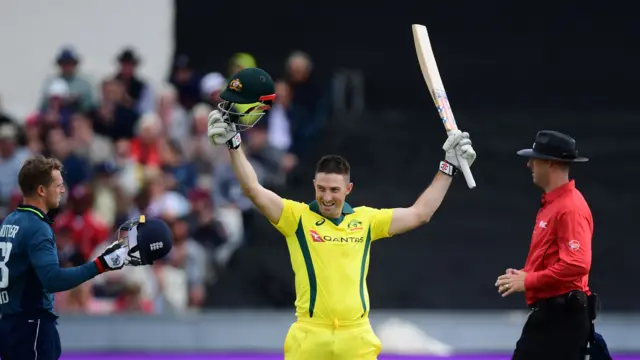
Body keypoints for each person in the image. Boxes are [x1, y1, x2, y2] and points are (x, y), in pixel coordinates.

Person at [207, 68, 477, 359]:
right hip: (311, 336)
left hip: (355, 337)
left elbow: (420, 213)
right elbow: (253, 189)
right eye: (321, 189)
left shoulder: (365, 220)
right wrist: (234, 145)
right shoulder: (296, 218)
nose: (326, 197)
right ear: (314, 185)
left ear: (348, 189)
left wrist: (449, 166)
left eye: (334, 190)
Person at [0, 156, 172, 360]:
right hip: (32, 326)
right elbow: (52, 279)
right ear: (41, 190)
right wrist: (101, 264)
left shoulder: (11, 220)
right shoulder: (37, 227)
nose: (62, 191)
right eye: (58, 186)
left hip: (9, 321)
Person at [494, 130, 610, 360]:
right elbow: (557, 258)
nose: (529, 165)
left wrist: (528, 280)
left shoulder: (570, 207)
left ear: (549, 163)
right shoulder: (552, 205)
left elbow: (577, 264)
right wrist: (526, 273)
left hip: (562, 319)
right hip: (554, 316)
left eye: (534, 159)